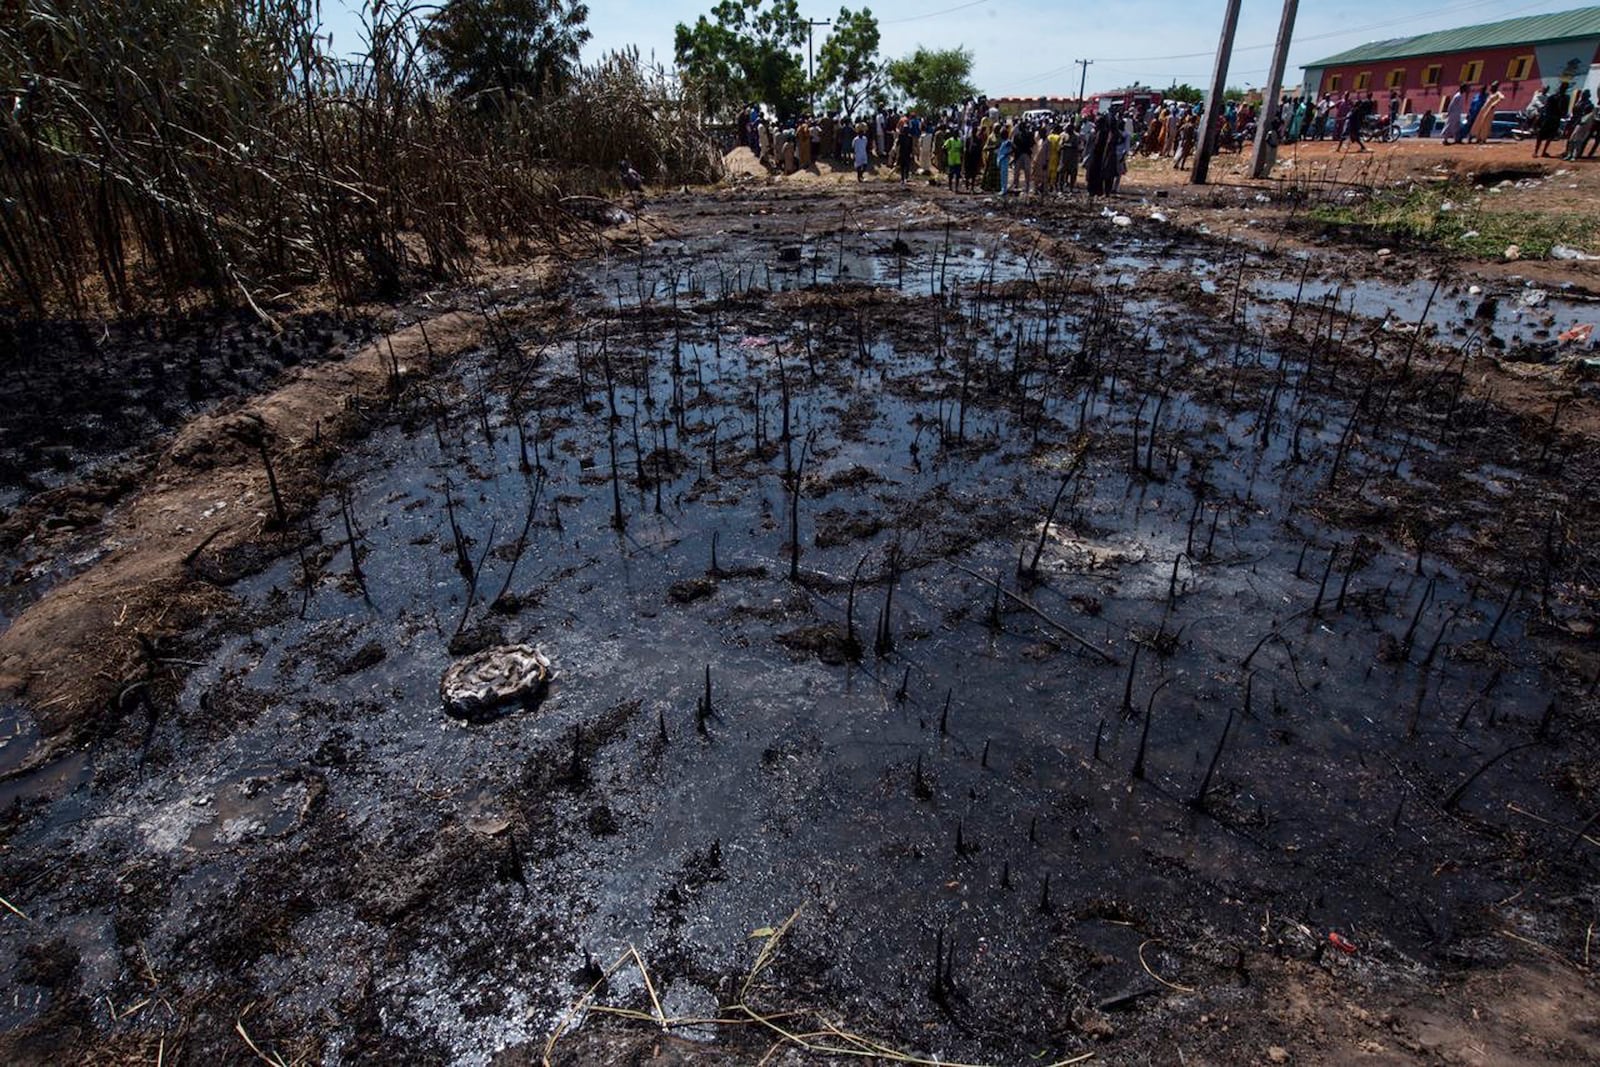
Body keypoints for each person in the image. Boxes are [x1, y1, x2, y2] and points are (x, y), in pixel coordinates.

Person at [1534, 82, 1570, 157]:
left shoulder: (1554, 97)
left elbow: (1547, 108)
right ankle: (1541, 152)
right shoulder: (1564, 98)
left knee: (1543, 136)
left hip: (1550, 118)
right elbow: (1564, 111)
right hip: (1554, 119)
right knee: (1548, 136)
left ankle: (1537, 152)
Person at [995, 125, 1013, 195]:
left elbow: (1012, 150)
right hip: (1001, 160)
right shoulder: (1003, 142)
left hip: (1004, 160)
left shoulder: (1008, 142)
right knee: (1002, 175)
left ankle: (1004, 190)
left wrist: (1006, 155)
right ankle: (1003, 189)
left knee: (1004, 175)